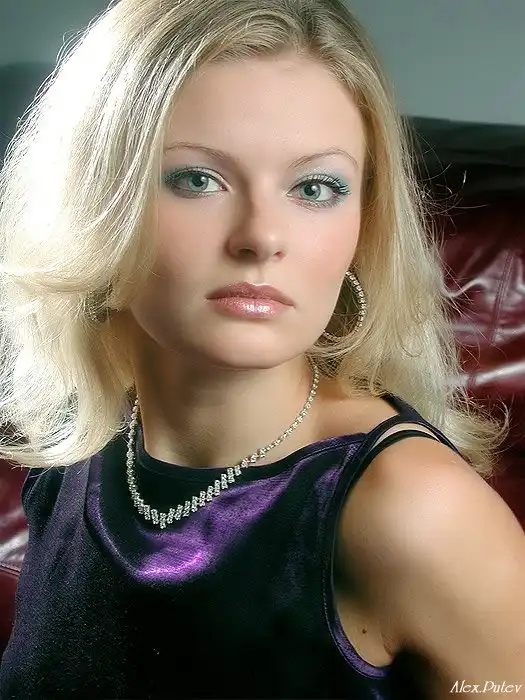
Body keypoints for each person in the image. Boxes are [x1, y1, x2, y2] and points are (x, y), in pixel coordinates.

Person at [0, 0, 524, 697]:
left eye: (315, 187)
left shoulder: (414, 513)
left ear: (363, 224)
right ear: (96, 199)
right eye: (196, 179)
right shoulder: (80, 451)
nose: (260, 237)